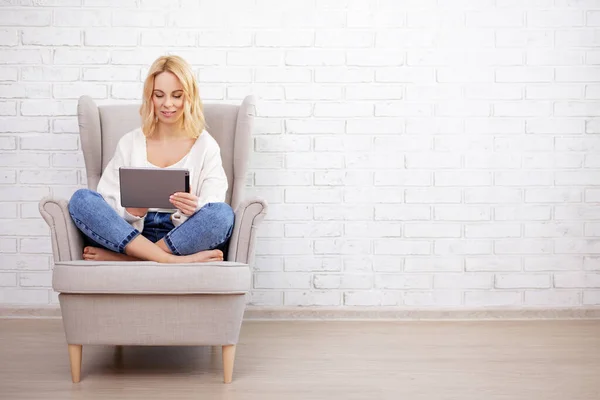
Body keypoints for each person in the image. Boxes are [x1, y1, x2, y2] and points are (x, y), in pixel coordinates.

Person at [68, 55, 234, 263]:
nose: (167, 104)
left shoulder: (206, 146)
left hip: (180, 235)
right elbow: (105, 200)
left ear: (189, 97)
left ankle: (133, 259)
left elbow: (214, 202)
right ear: (150, 97)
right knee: (82, 200)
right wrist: (131, 212)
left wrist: (191, 209)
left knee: (222, 214)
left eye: (176, 95)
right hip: (131, 234)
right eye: (159, 95)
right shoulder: (130, 142)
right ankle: (170, 261)